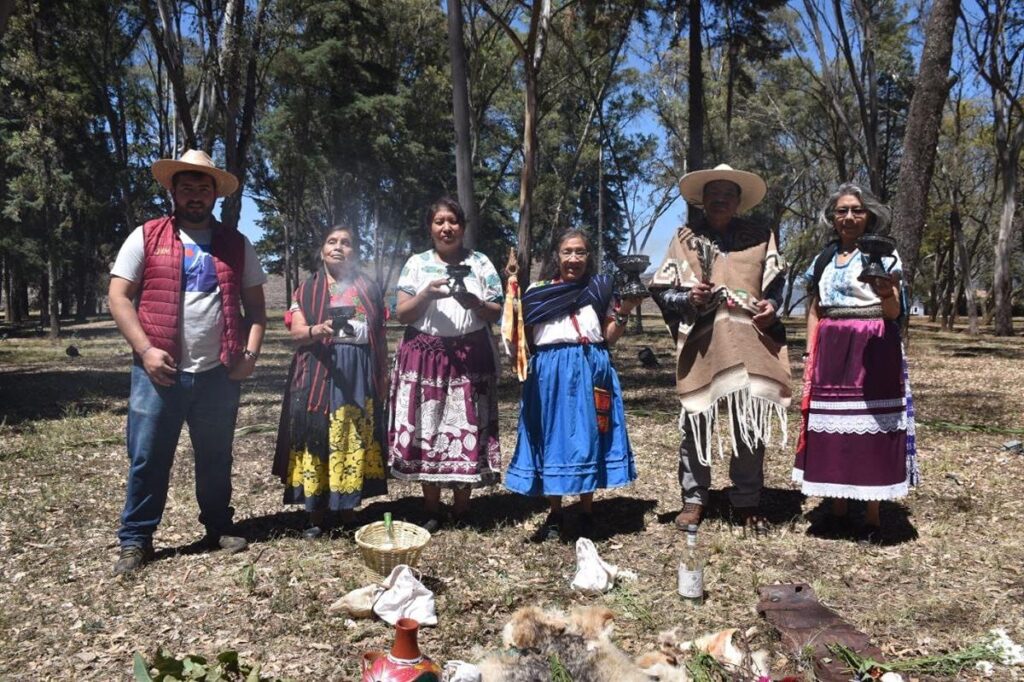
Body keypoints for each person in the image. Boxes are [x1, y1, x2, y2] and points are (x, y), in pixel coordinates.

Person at [109, 149, 267, 575]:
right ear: (173, 191)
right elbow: (118, 297)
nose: (195, 194)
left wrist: (249, 355)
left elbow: (256, 310)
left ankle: (217, 527)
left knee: (216, 456)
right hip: (158, 373)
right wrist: (145, 350)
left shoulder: (236, 244)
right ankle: (136, 540)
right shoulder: (147, 236)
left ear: (215, 194)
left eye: (203, 187)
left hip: (218, 373)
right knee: (148, 457)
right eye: (187, 186)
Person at [649, 164, 791, 533]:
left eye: (728, 193)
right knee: (697, 421)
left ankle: (747, 499)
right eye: (714, 193)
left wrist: (772, 306)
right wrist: (688, 297)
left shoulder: (761, 237)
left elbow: (776, 284)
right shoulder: (685, 238)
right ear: (703, 199)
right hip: (704, 343)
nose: (721, 199)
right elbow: (662, 289)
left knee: (748, 424)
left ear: (738, 200)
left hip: (749, 341)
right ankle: (694, 499)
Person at [794, 183, 917, 543]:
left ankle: (873, 517)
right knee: (832, 427)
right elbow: (815, 308)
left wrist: (883, 290)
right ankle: (837, 510)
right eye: (842, 211)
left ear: (869, 216)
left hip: (873, 345)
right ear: (832, 218)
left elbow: (894, 311)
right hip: (831, 349)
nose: (849, 217)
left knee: (872, 428)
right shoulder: (823, 259)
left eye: (857, 210)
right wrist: (809, 351)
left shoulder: (887, 255)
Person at [504, 229, 640, 542]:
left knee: (589, 437)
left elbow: (608, 336)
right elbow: (521, 332)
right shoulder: (538, 292)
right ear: (557, 255)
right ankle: (555, 512)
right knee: (552, 437)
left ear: (588, 256)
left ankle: (587, 511)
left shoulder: (599, 287)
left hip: (591, 366)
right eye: (568, 252)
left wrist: (624, 312)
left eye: (580, 252)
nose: (574, 259)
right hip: (549, 372)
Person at [388, 197, 504, 532]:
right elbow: (402, 313)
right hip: (425, 355)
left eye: (453, 221)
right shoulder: (417, 264)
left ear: (463, 227)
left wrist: (477, 303)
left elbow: (496, 311)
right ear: (431, 227)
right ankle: (431, 508)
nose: (446, 227)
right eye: (439, 221)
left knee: (467, 426)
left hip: (471, 356)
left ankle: (463, 508)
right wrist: (426, 294)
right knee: (429, 429)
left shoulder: (480, 263)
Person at [271, 227, 389, 538]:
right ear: (322, 249)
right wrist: (318, 330)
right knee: (317, 434)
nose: (339, 248)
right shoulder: (307, 289)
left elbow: (379, 334)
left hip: (359, 372)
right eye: (332, 242)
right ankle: (316, 514)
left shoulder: (368, 287)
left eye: (346, 243)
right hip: (319, 371)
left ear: (355, 251)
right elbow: (296, 333)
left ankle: (347, 509)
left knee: (351, 437)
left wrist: (382, 374)